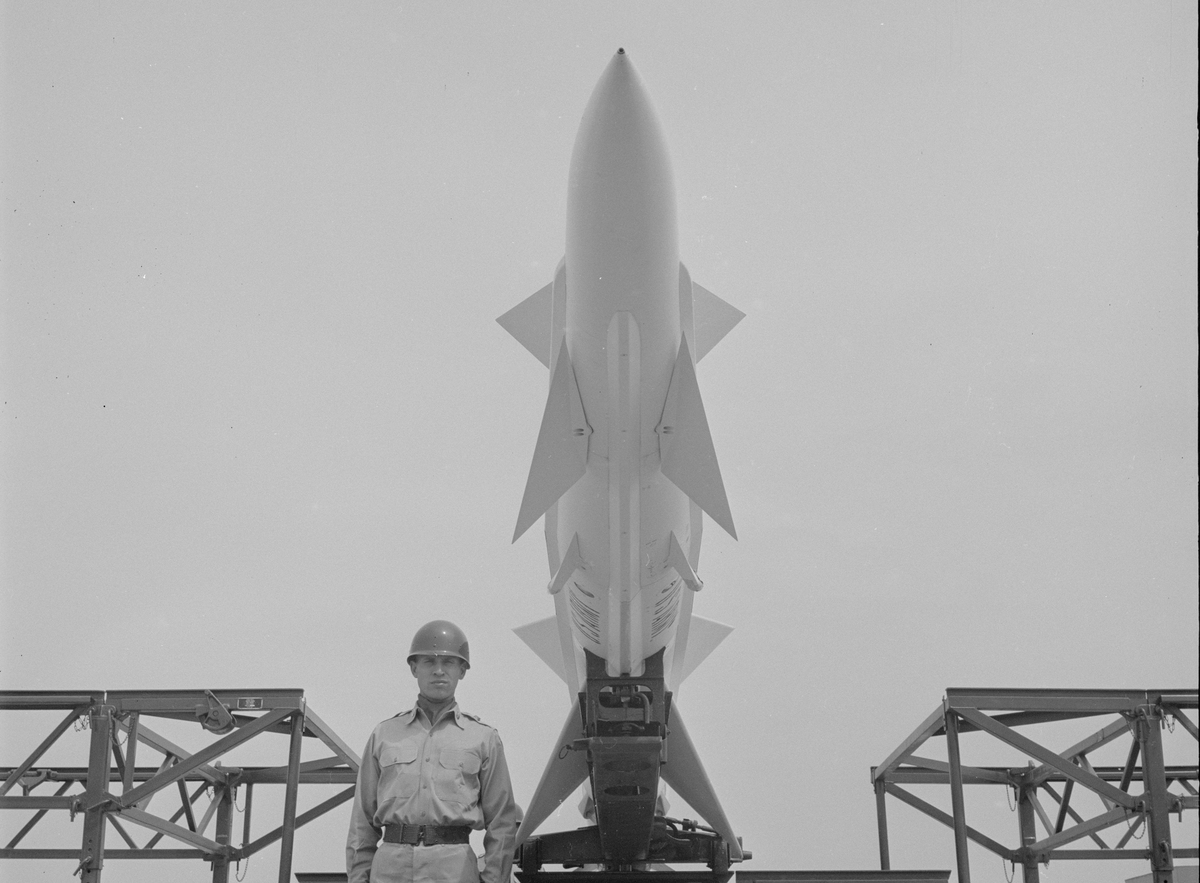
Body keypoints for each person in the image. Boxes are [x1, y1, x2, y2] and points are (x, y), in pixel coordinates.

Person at [347, 621, 522, 883]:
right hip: (390, 870)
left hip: (453, 870)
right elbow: (362, 822)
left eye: (448, 662)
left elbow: (502, 822)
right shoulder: (384, 734)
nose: (439, 671)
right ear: (414, 668)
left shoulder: (483, 738)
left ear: (462, 671)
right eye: (429, 661)